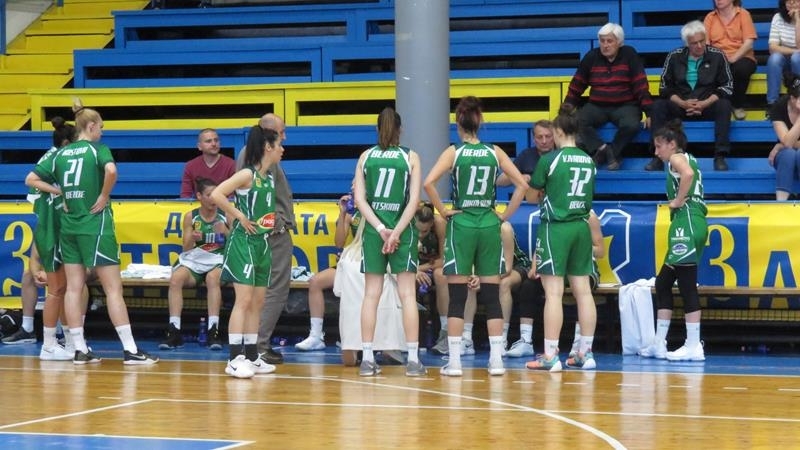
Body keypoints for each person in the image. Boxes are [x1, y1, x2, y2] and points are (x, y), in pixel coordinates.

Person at [25, 100, 158, 365]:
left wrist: (60, 192)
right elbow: (111, 170)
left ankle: (79, 349)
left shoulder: (60, 154)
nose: (102, 132)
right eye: (101, 127)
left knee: (73, 288)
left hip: (69, 226)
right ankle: (130, 350)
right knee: (113, 289)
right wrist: (104, 195)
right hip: (95, 224)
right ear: (92, 126)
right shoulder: (97, 149)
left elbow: (31, 179)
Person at [423, 95, 529, 377]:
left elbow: (428, 183)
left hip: (462, 224)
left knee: (457, 297)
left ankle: (455, 362)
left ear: (458, 123)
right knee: (492, 295)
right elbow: (521, 184)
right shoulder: (495, 152)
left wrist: (443, 210)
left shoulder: (454, 152)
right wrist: (504, 216)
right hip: (489, 223)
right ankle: (496, 360)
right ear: (479, 122)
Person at [354, 107, 425, 377]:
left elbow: (360, 201)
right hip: (403, 231)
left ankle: (367, 359)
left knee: (371, 294)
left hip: (375, 232)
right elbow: (414, 201)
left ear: (377, 129)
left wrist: (381, 229)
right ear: (400, 130)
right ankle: (413, 361)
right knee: (407, 295)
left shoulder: (365, 157)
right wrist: (396, 232)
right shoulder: (410, 157)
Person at [525, 110, 597, 372]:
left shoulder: (550, 159)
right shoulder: (588, 160)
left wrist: (544, 190)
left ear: (557, 132)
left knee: (553, 293)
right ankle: (585, 353)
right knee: (583, 291)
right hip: (581, 226)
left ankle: (550, 355)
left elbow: (531, 197)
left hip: (556, 228)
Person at [210, 126, 283, 379]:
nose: (282, 149)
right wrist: (239, 216)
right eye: (279, 145)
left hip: (263, 242)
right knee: (243, 300)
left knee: (258, 302)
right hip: (244, 243)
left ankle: (252, 356)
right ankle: (233, 358)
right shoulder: (246, 174)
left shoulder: (269, 177)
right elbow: (216, 194)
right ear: (268, 147)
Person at [639, 120, 709, 361]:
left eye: (659, 146)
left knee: (687, 285)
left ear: (672, 144)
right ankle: (659, 343)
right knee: (663, 283)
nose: (656, 152)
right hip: (689, 222)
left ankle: (693, 345)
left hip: (686, 221)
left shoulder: (677, 158)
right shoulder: (688, 158)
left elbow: (687, 174)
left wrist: (678, 200)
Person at [236, 113, 295, 366]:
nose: (285, 137)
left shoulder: (249, 152)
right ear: (269, 133)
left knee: (260, 292)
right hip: (271, 234)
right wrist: (277, 223)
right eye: (281, 132)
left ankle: (254, 345)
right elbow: (259, 195)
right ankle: (258, 345)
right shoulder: (261, 155)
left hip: (264, 232)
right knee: (273, 290)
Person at [561, 23, 653, 171]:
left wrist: (649, 112)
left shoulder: (629, 54)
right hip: (597, 106)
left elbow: (640, 85)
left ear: (619, 42)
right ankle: (603, 149)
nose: (605, 45)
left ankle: (612, 152)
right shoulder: (592, 56)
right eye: (602, 41)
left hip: (626, 105)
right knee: (577, 120)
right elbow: (577, 85)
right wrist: (565, 110)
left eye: (609, 41)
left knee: (632, 125)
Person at [647, 20, 734, 172]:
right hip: (680, 106)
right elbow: (664, 87)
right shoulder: (674, 56)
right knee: (658, 105)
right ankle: (657, 157)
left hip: (707, 105)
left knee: (724, 105)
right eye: (694, 43)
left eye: (702, 41)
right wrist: (682, 103)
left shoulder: (718, 55)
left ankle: (720, 156)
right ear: (687, 43)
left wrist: (705, 103)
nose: (699, 46)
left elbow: (727, 86)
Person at [160, 177, 228, 350]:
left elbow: (236, 243)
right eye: (209, 194)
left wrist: (225, 232)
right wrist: (192, 237)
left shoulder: (225, 214)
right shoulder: (191, 216)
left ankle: (213, 331)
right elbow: (186, 248)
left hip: (218, 260)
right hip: (195, 260)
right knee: (176, 279)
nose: (213, 198)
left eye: (216, 194)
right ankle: (174, 331)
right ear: (199, 196)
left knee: (212, 279)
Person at [294, 191, 358, 351]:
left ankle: (357, 337)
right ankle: (316, 336)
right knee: (315, 281)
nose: (352, 188)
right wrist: (342, 214)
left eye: (355, 184)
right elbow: (339, 243)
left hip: (372, 263)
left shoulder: (376, 209)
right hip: (352, 262)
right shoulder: (352, 214)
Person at [704, 0, 758, 121]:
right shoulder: (710, 17)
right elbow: (706, 44)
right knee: (710, 68)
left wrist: (733, 58)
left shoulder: (743, 14)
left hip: (742, 55)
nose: (718, 0)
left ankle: (737, 105)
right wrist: (719, 59)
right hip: (718, 57)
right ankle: (721, 106)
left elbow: (749, 42)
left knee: (741, 68)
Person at [414, 202, 450, 355]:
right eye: (417, 230)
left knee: (441, 275)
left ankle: (445, 331)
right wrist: (414, 270)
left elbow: (445, 259)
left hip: (433, 265)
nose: (420, 235)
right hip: (413, 266)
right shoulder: (405, 222)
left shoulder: (440, 224)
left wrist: (420, 269)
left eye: (425, 231)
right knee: (406, 278)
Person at [496, 120, 556, 187]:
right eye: (539, 137)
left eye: (548, 136)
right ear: (534, 139)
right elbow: (499, 181)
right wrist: (520, 177)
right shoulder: (526, 155)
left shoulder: (562, 155)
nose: (544, 141)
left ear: (554, 137)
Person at [768, 75, 800, 200]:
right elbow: (787, 143)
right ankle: (781, 203)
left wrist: (780, 146)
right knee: (788, 154)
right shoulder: (779, 106)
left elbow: (786, 143)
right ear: (792, 98)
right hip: (786, 157)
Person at [180, 128, 236, 198]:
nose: (214, 144)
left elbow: (234, 196)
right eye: (208, 141)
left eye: (216, 140)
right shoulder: (190, 166)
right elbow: (185, 196)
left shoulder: (231, 165)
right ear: (199, 146)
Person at [766, 0, 800, 113]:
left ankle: (798, 98)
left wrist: (798, 20)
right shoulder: (778, 17)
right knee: (774, 59)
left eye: (796, 1)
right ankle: (772, 104)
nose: (792, 5)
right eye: (788, 2)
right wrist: (795, 51)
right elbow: (773, 48)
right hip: (786, 58)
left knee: (796, 58)